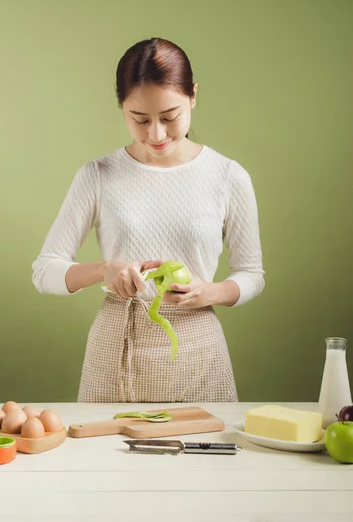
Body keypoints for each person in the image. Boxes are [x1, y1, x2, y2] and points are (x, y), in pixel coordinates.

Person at [32, 37, 265, 403]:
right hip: (114, 350)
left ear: (193, 97)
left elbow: (252, 274)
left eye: (170, 117)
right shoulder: (98, 174)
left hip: (198, 351)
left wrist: (211, 292)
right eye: (139, 119)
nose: (156, 135)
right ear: (122, 108)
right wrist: (105, 269)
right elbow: (44, 271)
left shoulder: (228, 176)